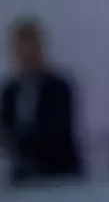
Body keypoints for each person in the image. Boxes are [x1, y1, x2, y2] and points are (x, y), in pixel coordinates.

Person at [1, 20, 84, 185]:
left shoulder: (59, 86)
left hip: (58, 173)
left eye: (30, 45)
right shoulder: (10, 90)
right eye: (20, 47)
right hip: (22, 175)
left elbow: (58, 130)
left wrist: (21, 143)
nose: (25, 53)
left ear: (40, 48)